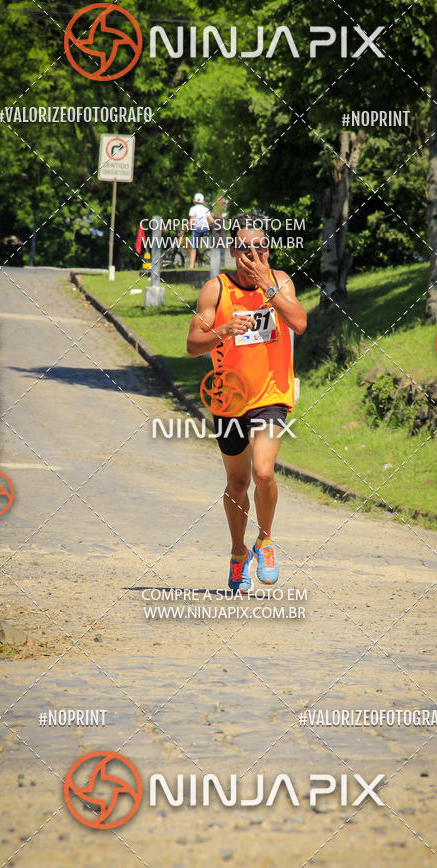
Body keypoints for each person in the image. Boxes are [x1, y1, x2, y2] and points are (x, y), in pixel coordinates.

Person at [186, 212, 307, 593]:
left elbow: (299, 322)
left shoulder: (280, 281)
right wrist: (222, 330)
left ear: (268, 250)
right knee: (237, 484)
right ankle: (239, 553)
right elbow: (193, 345)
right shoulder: (216, 290)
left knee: (264, 472)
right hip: (229, 400)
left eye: (260, 247)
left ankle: (265, 540)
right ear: (233, 251)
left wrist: (267, 287)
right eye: (244, 248)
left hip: (272, 396)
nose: (253, 255)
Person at [187, 192, 214, 268]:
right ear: (203, 202)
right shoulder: (206, 209)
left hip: (197, 229)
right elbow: (212, 221)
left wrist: (184, 229)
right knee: (197, 241)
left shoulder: (192, 209)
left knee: (193, 247)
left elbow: (191, 222)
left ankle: (191, 266)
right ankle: (199, 255)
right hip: (205, 229)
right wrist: (207, 225)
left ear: (194, 201)